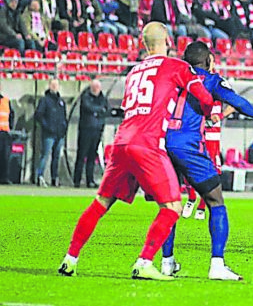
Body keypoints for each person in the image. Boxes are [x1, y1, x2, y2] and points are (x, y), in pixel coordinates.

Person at [58, 21, 217, 281]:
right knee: (172, 206)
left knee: (101, 202)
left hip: (121, 142)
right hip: (148, 143)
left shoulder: (133, 72)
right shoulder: (177, 66)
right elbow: (205, 97)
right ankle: (144, 261)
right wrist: (210, 113)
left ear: (144, 44)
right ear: (167, 38)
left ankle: (70, 259)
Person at [161, 41, 253, 280]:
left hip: (162, 142)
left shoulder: (173, 77)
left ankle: (167, 262)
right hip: (188, 145)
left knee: (169, 205)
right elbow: (238, 101)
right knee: (216, 200)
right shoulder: (210, 80)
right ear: (208, 61)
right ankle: (217, 265)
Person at [74, 79, 110, 189]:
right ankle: (77, 180)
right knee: (81, 155)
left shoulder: (102, 98)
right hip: (86, 130)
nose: (96, 89)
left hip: (97, 130)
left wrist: (97, 111)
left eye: (97, 87)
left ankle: (90, 180)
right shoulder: (85, 97)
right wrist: (99, 110)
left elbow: (107, 110)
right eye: (94, 87)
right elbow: (88, 108)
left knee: (92, 156)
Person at [34, 79, 68, 187]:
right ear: (49, 86)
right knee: (45, 155)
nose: (54, 87)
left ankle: (54, 178)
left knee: (56, 156)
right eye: (52, 85)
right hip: (49, 134)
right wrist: (47, 127)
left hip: (59, 134)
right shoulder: (44, 100)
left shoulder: (61, 101)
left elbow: (64, 117)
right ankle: (40, 176)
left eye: (56, 85)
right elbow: (38, 115)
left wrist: (63, 128)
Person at [0, 82, 14, 185]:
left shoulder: (6, 101)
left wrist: (10, 126)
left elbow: (11, 114)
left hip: (4, 132)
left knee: (5, 156)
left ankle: (4, 178)